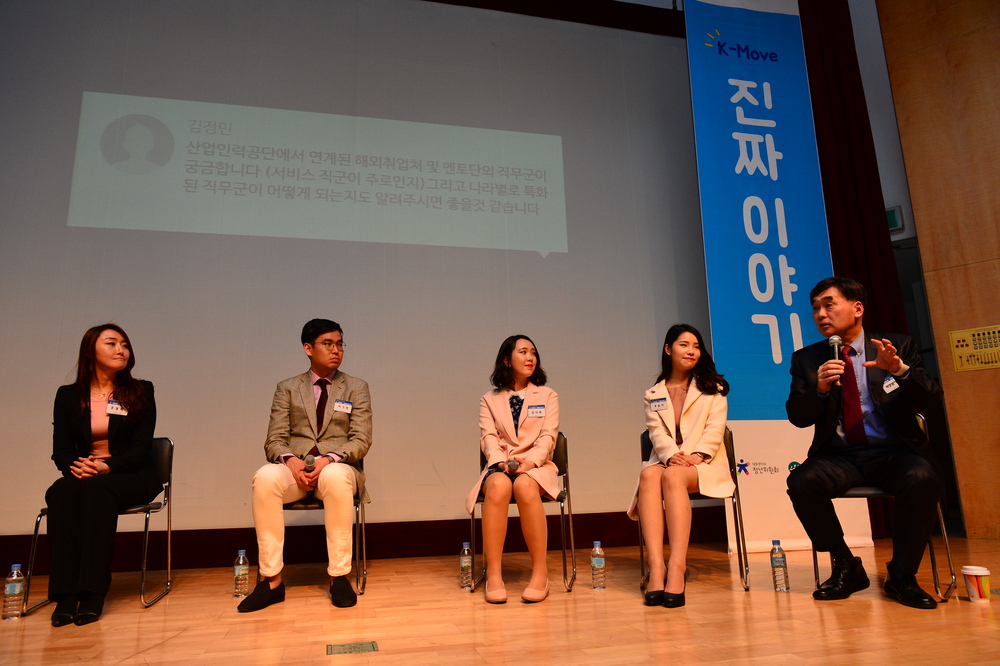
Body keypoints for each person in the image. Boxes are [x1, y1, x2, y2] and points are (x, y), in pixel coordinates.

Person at [786, 277, 943, 609]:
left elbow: (930, 399)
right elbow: (798, 416)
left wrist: (900, 370)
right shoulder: (807, 359)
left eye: (829, 305)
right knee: (801, 482)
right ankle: (847, 565)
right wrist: (819, 390)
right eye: (815, 308)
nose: (820, 314)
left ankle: (902, 575)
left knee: (921, 477)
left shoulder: (895, 346)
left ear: (857, 308)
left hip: (894, 453)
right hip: (841, 456)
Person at [237, 319, 372, 612]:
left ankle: (339, 577)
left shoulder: (356, 387)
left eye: (340, 344)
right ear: (308, 348)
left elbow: (361, 440)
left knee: (335, 475)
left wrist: (328, 459)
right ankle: (271, 581)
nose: (336, 350)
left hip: (336, 469)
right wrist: (292, 463)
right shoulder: (287, 388)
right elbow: (274, 441)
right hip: (295, 471)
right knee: (265, 477)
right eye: (328, 344)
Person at [45, 324, 159, 626]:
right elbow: (61, 449)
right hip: (87, 474)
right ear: (90, 352)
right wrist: (77, 466)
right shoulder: (68, 396)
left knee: (98, 491)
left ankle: (93, 591)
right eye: (111, 343)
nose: (121, 350)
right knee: (61, 492)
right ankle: (66, 594)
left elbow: (141, 447)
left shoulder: (141, 390)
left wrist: (108, 466)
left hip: (129, 474)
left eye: (125, 344)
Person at [627, 324, 732, 608]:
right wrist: (672, 455)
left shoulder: (713, 388)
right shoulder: (653, 393)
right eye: (684, 345)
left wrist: (696, 455)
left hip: (704, 463)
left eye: (696, 346)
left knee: (673, 476)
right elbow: (656, 433)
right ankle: (656, 567)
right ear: (668, 349)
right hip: (669, 460)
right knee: (648, 475)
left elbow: (715, 428)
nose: (691, 351)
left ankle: (677, 566)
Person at [465, 335, 559, 604]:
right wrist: (500, 463)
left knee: (525, 484)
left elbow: (548, 436)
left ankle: (540, 573)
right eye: (523, 352)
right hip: (502, 464)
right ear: (507, 360)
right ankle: (494, 574)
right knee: (498, 485)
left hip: (537, 466)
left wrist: (531, 462)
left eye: (533, 353)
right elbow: (488, 437)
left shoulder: (548, 395)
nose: (530, 358)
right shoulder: (489, 399)